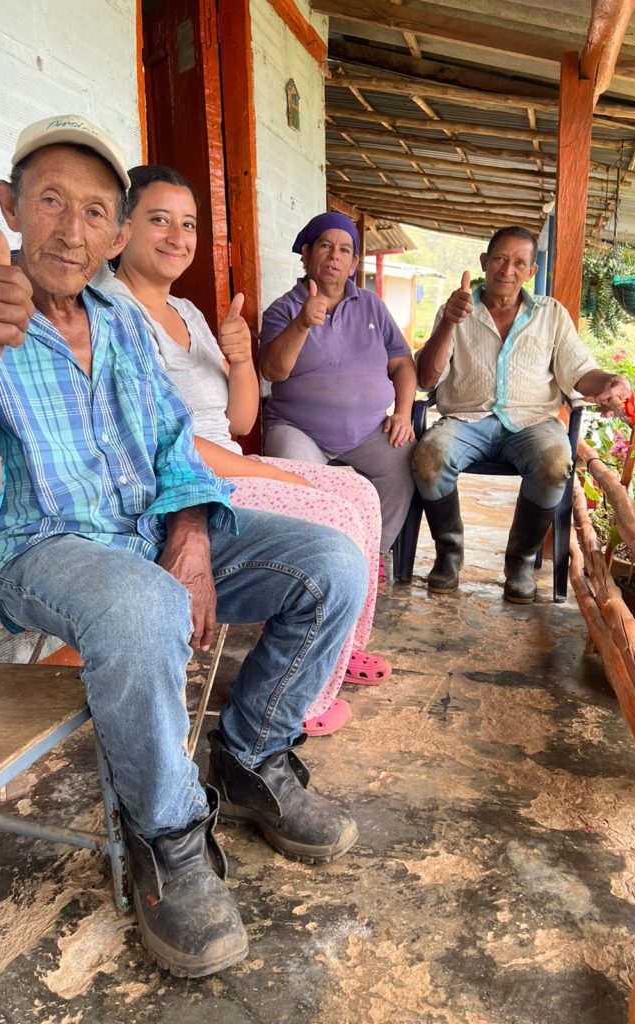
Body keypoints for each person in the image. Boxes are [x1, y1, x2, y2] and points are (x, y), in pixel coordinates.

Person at [0, 114, 369, 980]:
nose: (72, 227)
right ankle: (167, 831)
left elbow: (173, 450)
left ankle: (250, 754)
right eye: (50, 200)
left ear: (115, 234)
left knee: (330, 564)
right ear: (11, 207)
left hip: (145, 526)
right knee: (142, 602)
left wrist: (193, 536)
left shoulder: (120, 322)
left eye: (96, 211)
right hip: (38, 546)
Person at [103, 165, 391, 738]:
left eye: (187, 224)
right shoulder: (114, 314)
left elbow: (239, 419)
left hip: (228, 459)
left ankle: (334, 655)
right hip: (186, 479)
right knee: (329, 514)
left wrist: (238, 360)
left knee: (359, 492)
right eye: (159, 220)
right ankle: (304, 697)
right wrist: (279, 479)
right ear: (121, 229)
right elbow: (168, 444)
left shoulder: (185, 312)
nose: (177, 237)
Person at [413, 225, 631, 604]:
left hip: (532, 423)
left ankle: (521, 563)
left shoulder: (551, 315)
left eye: (519, 263)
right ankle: (449, 553)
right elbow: (426, 378)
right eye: (499, 258)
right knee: (429, 458)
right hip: (468, 420)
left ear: (531, 271)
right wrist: (449, 321)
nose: (507, 270)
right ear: (485, 262)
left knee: (554, 464)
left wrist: (610, 380)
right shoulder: (457, 310)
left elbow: (579, 372)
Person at [258, 212, 418, 578]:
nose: (334, 256)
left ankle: (371, 554)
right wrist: (302, 323)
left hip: (368, 430)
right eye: (326, 246)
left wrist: (404, 413)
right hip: (300, 428)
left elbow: (402, 364)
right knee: (294, 480)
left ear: (353, 264)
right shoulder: (283, 309)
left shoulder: (372, 305)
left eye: (344, 250)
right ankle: (309, 562)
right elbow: (273, 370)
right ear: (306, 253)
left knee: (405, 460)